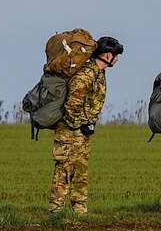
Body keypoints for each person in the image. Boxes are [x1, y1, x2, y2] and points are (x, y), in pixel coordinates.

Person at [50, 35, 123, 215]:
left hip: (81, 132)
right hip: (69, 131)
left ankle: (79, 209)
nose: (117, 59)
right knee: (64, 169)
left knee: (80, 170)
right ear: (107, 56)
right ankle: (56, 209)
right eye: (115, 54)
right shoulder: (86, 74)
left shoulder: (98, 74)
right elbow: (73, 103)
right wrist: (80, 124)